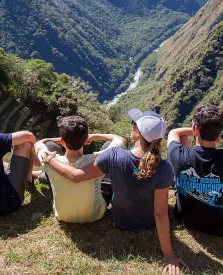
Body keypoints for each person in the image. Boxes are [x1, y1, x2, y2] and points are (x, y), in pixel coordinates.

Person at [41, 109, 186, 274]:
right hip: (149, 223)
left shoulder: (114, 155)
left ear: (137, 132)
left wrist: (49, 159)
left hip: (120, 221)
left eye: (133, 124)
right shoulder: (164, 168)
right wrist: (169, 256)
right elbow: (160, 213)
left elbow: (75, 175)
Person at [167, 104, 223, 237]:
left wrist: (199, 130)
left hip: (185, 218)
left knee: (182, 138)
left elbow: (174, 133)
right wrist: (221, 133)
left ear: (196, 129)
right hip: (219, 226)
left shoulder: (178, 156)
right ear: (218, 134)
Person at [34, 115, 125, 223]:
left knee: (49, 145)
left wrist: (61, 139)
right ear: (85, 139)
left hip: (63, 215)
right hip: (95, 214)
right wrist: (93, 136)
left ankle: (41, 175)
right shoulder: (99, 159)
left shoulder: (49, 158)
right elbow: (120, 139)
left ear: (63, 142)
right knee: (109, 148)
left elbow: (39, 143)